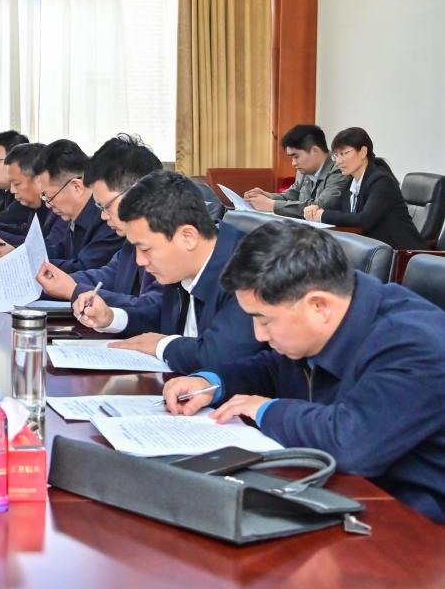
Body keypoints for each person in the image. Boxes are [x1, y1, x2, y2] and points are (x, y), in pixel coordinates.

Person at [163, 221, 445, 524]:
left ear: (319, 306)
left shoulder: (415, 344)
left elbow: (350, 443)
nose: (258, 335)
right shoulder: (334, 314)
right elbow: (274, 368)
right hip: (347, 491)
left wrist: (265, 409)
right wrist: (212, 382)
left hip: (416, 523)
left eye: (265, 320)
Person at [73, 170, 260, 374]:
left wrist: (161, 345)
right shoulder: (183, 265)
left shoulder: (249, 268)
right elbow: (161, 314)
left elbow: (223, 356)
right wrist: (110, 317)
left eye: (145, 249)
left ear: (187, 237)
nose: (140, 261)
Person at [35, 135, 164, 309]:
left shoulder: (169, 241)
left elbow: (153, 309)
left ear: (139, 194)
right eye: (100, 207)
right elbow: (108, 276)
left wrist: (73, 290)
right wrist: (56, 283)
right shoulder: (129, 244)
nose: (103, 216)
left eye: (106, 206)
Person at [0, 139, 121, 274]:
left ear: (76, 187)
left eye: (49, 196)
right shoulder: (74, 214)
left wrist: (25, 262)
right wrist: (17, 255)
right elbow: (58, 250)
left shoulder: (107, 220)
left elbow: (82, 268)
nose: (47, 204)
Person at [303, 127, 428, 250]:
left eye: (344, 153)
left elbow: (365, 220)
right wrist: (316, 209)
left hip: (404, 254)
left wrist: (323, 215)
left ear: (363, 152)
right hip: (376, 251)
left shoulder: (381, 181)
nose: (338, 161)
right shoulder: (350, 181)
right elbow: (339, 210)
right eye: (336, 155)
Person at [244, 123, 345, 217]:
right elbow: (292, 195)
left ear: (315, 151)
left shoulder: (340, 168)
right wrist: (267, 196)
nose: (293, 163)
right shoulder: (305, 169)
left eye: (296, 157)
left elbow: (319, 207)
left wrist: (271, 205)